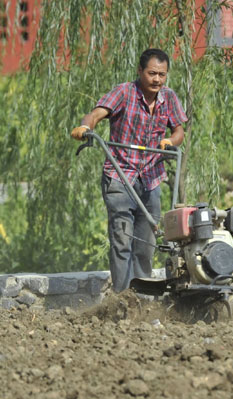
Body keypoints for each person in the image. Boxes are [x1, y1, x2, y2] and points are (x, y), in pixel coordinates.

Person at [71, 48, 187, 292]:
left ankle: (141, 296)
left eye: (162, 75)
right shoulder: (124, 92)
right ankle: (123, 297)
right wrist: (84, 127)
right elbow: (95, 114)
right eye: (152, 73)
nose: (157, 79)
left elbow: (179, 131)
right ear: (140, 71)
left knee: (146, 244)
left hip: (151, 180)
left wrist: (170, 141)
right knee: (122, 240)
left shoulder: (169, 97)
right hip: (120, 176)